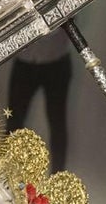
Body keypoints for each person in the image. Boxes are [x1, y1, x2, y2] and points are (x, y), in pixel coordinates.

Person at [6, 30, 73, 173]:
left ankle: (58, 177)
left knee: (57, 123)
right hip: (25, 62)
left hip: (56, 61)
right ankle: (8, 174)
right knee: (13, 122)